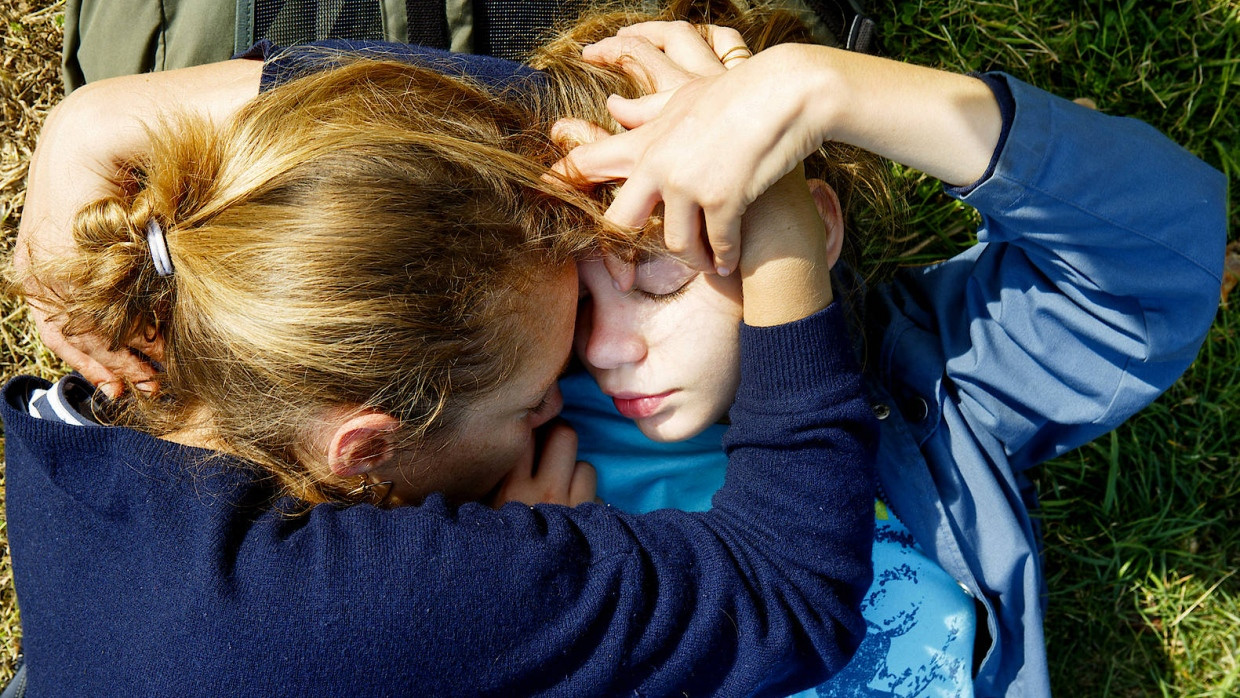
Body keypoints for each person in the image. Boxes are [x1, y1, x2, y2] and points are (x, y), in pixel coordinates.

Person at [2, 25, 879, 698]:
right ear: (366, 450)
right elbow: (791, 592)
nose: (566, 399)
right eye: (534, 400)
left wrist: (94, 118)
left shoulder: (90, 419)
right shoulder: (345, 610)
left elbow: (377, 165)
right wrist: (773, 208)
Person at [550, 16, 1228, 698]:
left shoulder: (924, 377)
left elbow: (1158, 264)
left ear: (814, 225)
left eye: (662, 278)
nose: (603, 347)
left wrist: (818, 89)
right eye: (577, 303)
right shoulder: (528, 469)